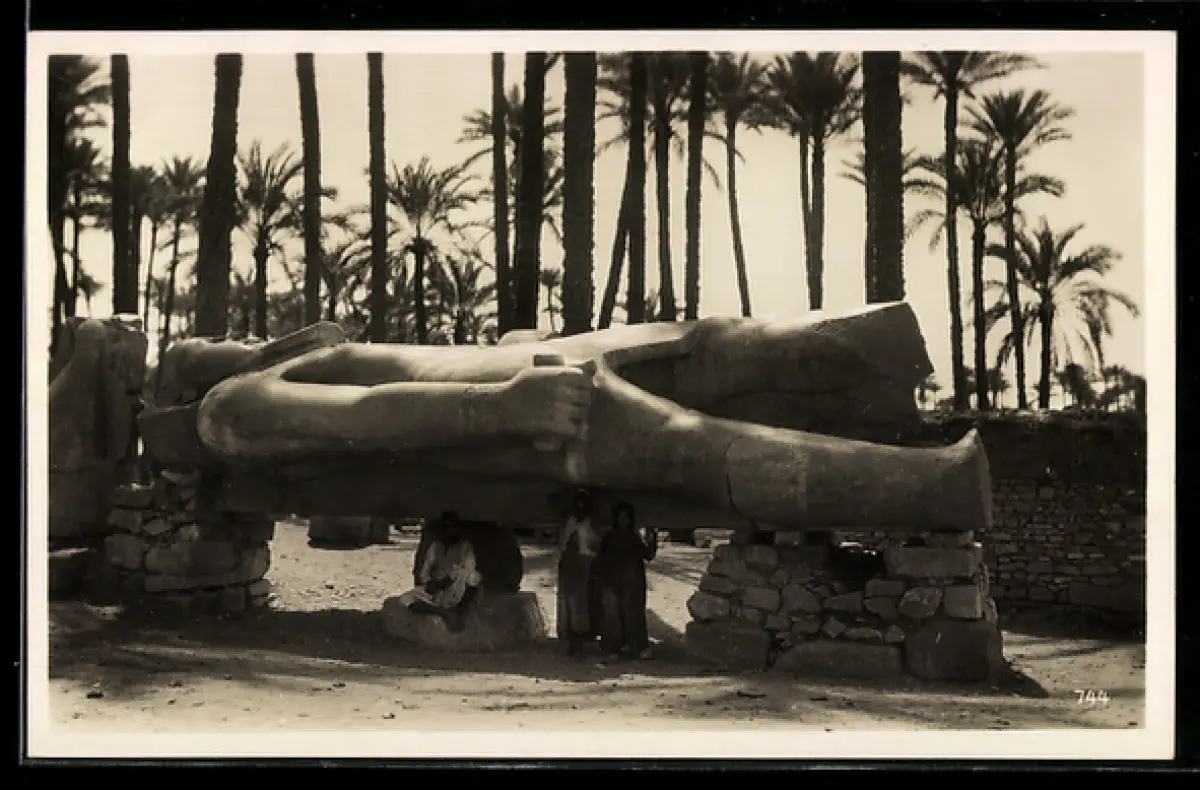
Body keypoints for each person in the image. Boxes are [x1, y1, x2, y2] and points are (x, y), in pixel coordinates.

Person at [594, 502, 658, 664]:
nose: (623, 520)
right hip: (613, 582)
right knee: (613, 617)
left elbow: (648, 554)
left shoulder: (632, 537)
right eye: (620, 517)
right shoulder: (610, 537)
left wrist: (652, 536)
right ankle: (615, 649)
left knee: (631, 615)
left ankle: (634, 649)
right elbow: (600, 559)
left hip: (630, 583)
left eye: (626, 517)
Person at [398, 512, 482, 632]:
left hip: (457, 589)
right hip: (436, 590)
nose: (448, 531)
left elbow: (468, 571)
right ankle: (445, 613)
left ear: (457, 529)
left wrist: (449, 579)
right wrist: (433, 584)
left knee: (473, 577)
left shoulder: (465, 547)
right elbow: (424, 574)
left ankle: (458, 611)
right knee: (406, 599)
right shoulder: (435, 546)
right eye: (445, 527)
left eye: (451, 527)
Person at [556, 489, 601, 657]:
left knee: (582, 603)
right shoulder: (569, 523)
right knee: (568, 602)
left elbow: (594, 547)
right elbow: (563, 545)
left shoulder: (591, 525)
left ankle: (581, 640)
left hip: (585, 566)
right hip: (569, 565)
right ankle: (570, 638)